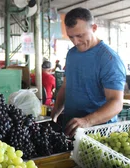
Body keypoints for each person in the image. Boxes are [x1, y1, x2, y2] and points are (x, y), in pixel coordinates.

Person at [50, 7, 126, 137]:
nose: (75, 42)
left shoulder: (109, 59)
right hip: (71, 127)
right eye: (71, 37)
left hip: (99, 132)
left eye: (80, 35)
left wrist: (87, 121)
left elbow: (116, 102)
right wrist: (55, 113)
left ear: (94, 28)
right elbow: (66, 87)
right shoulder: (71, 54)